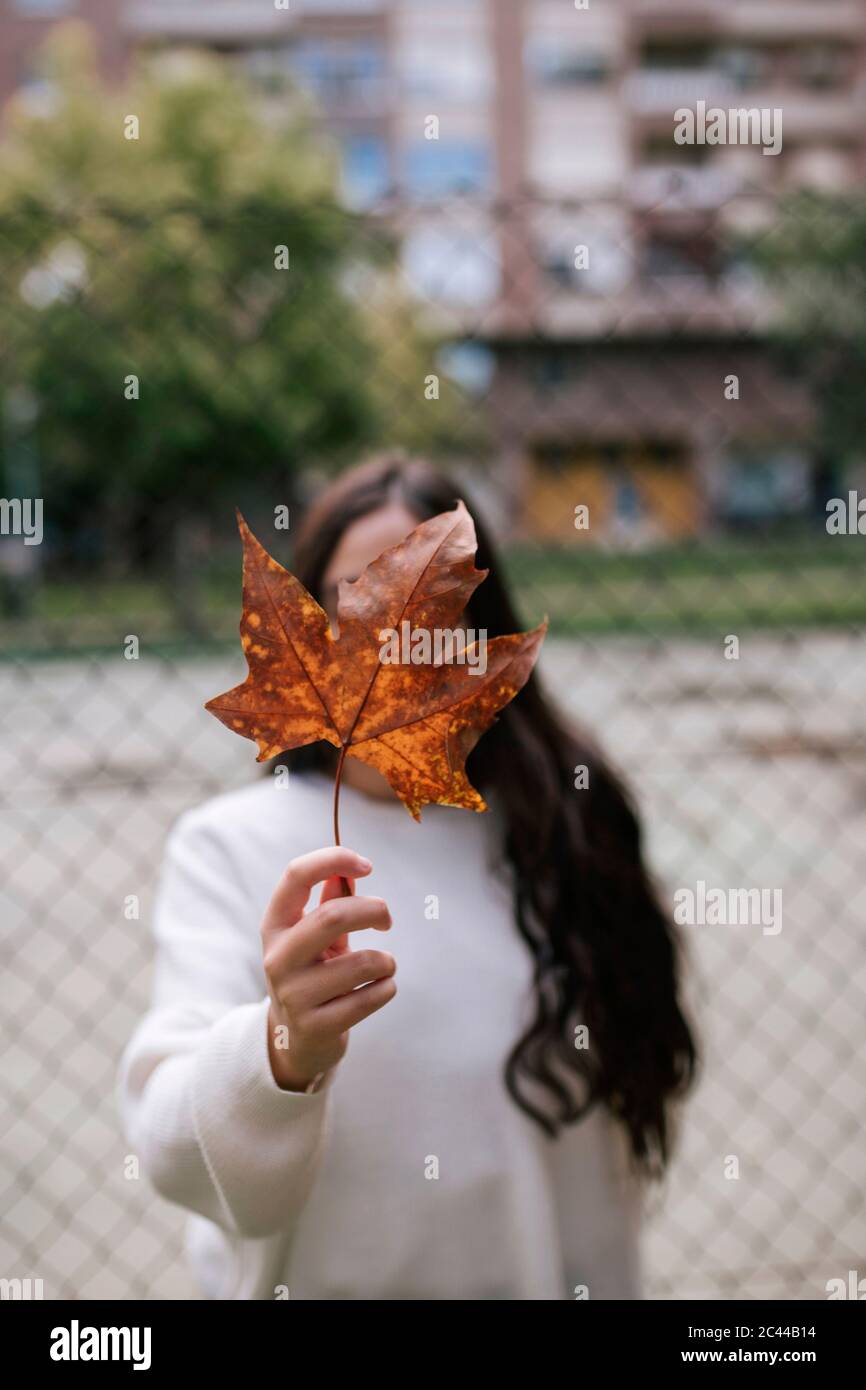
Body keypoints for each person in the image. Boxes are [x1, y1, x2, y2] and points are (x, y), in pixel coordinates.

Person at [117, 452, 697, 1300]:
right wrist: (281, 1048)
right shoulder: (228, 849)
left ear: (476, 633)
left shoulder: (565, 832)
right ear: (303, 626)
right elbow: (173, 1152)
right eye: (358, 598)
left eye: (430, 603)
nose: (391, 637)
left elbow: (601, 1182)